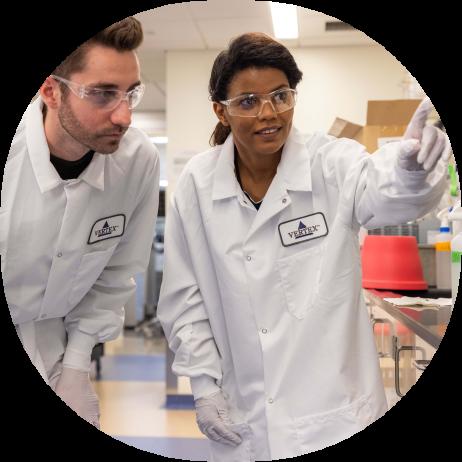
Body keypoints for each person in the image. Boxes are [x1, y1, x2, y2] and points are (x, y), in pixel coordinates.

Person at [157, 32, 450, 460]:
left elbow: (384, 192)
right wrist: (203, 385)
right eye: (248, 101)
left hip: (335, 415)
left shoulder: (331, 163)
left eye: (280, 95)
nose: (269, 113)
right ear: (220, 110)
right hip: (246, 419)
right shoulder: (197, 186)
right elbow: (185, 300)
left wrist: (409, 169)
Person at [0, 17, 160, 428]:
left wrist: (75, 368)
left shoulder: (137, 162)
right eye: (103, 94)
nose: (123, 116)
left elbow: (116, 274)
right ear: (51, 90)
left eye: (131, 93)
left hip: (58, 352)